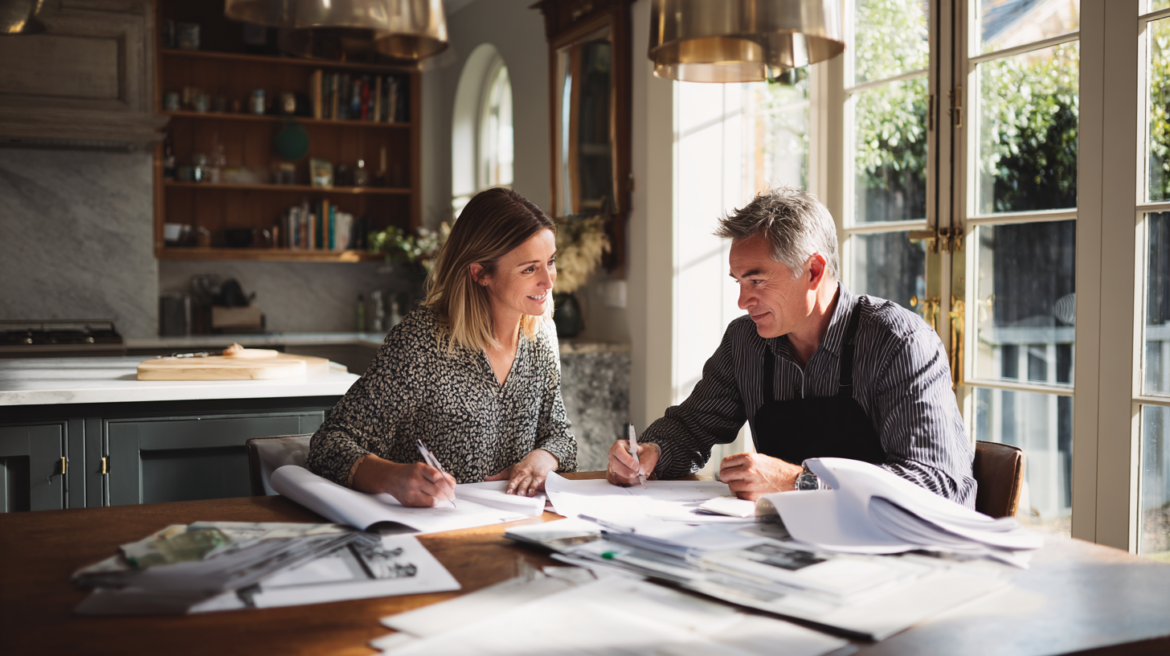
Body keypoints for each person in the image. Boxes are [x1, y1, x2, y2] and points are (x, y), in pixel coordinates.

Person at [607, 187, 976, 506]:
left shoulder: (899, 343)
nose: (742, 301)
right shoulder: (745, 342)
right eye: (738, 281)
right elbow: (691, 429)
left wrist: (798, 483)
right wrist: (650, 452)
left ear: (813, 271)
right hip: (786, 547)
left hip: (892, 559)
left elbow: (939, 486)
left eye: (757, 280)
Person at [307, 188, 578, 507]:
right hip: (432, 531)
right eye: (530, 269)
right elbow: (328, 446)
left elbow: (561, 436)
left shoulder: (542, 333)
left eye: (551, 261)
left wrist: (544, 457)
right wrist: (392, 477)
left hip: (515, 527)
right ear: (480, 273)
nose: (549, 281)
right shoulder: (421, 340)